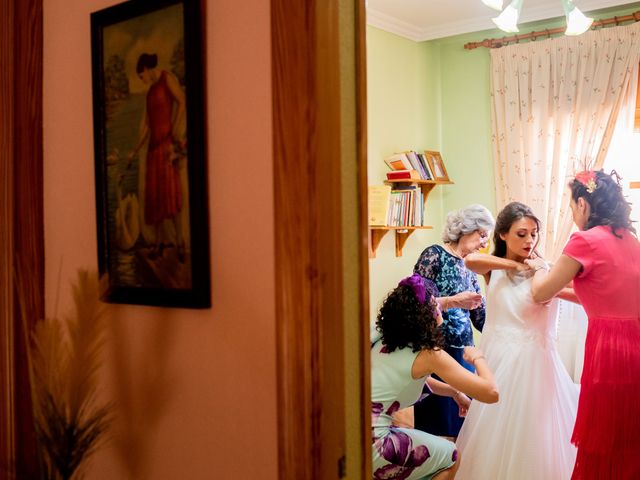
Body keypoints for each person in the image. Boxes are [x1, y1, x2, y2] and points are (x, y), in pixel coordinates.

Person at [527, 170, 640, 479]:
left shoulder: (584, 241)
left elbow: (540, 291)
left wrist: (539, 267)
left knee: (602, 435)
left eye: (572, 205)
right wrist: (565, 292)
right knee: (630, 436)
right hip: (636, 344)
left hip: (609, 351)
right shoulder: (631, 240)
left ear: (583, 204)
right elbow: (603, 295)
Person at [454, 201, 579, 479]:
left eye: (534, 234)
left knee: (533, 434)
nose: (529, 240)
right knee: (492, 432)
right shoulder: (493, 268)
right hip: (498, 359)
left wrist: (537, 269)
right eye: (521, 234)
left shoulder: (546, 270)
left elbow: (574, 293)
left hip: (535, 365)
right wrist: (514, 265)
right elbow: (469, 260)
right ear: (502, 234)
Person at [371, 274, 499, 480]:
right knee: (451, 455)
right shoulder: (429, 355)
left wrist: (455, 392)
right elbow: (491, 393)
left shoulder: (383, 338)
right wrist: (478, 357)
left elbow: (411, 378)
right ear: (427, 314)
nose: (440, 310)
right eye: (436, 305)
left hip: (350, 432)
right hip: (375, 444)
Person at [412, 204, 495, 438]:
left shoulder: (470, 268)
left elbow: (480, 316)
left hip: (464, 353)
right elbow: (414, 301)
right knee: (435, 426)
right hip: (436, 350)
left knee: (462, 426)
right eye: (481, 236)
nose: (483, 244)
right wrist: (452, 301)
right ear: (465, 229)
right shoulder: (434, 254)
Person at [128, 53, 187, 262]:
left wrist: (174, 131)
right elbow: (147, 126)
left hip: (166, 146)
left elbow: (181, 101)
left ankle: (180, 242)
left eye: (140, 75)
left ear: (145, 68)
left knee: (172, 197)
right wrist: (135, 150)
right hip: (153, 150)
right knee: (156, 200)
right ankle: (160, 243)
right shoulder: (150, 92)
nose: (141, 79)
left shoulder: (166, 78)